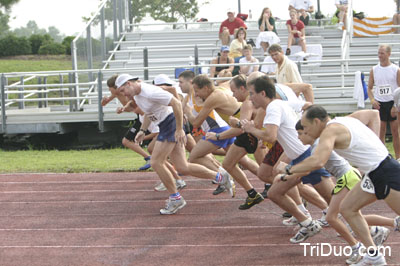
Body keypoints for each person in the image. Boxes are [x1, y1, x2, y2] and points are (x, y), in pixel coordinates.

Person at [287, 105, 400, 265]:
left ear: (317, 122)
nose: (304, 132)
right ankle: (374, 255)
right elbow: (373, 114)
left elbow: (318, 161)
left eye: (305, 127)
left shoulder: (329, 131)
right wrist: (376, 144)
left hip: (385, 172)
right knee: (348, 209)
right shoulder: (345, 120)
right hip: (373, 173)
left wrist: (289, 170)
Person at [115, 74, 234, 215]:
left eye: (123, 91)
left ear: (129, 84)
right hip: (166, 124)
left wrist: (179, 129)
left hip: (170, 123)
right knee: (182, 166)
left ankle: (176, 198)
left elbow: (176, 103)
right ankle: (220, 177)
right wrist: (142, 130)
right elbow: (149, 113)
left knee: (156, 162)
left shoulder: (150, 91)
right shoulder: (138, 95)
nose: (123, 95)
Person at [241, 76, 325, 243]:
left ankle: (369, 231)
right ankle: (307, 222)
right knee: (274, 191)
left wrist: (251, 129)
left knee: (336, 204)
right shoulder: (277, 105)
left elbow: (270, 137)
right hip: (299, 157)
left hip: (306, 157)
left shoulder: (274, 107)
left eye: (252, 94)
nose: (249, 98)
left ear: (262, 93)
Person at [206, 74, 267, 209]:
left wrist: (218, 136)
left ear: (242, 88)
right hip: (249, 136)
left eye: (234, 91)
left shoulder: (247, 102)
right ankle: (252, 194)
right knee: (228, 164)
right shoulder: (247, 101)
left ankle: (295, 196)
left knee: (266, 172)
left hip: (256, 137)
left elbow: (242, 129)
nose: (232, 95)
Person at [101, 74, 153, 171]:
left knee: (127, 141)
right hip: (141, 116)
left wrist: (124, 108)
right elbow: (104, 104)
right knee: (130, 141)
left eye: (110, 88)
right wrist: (103, 101)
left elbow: (135, 106)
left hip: (145, 116)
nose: (109, 91)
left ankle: (153, 159)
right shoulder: (116, 93)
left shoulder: (131, 92)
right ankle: (153, 158)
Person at [367, 44, 400, 159]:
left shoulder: (396, 69)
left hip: (392, 102)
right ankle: (383, 158)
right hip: (379, 103)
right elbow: (369, 88)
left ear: (388, 54)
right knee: (380, 132)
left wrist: (396, 105)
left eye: (382, 53)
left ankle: (398, 157)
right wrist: (372, 100)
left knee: (395, 132)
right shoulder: (374, 69)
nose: (379, 56)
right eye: (379, 53)